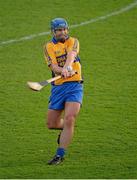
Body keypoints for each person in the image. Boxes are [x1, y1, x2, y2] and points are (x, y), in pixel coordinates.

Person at [44, 18, 83, 165]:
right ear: (53, 32)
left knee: (70, 118)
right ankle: (67, 129)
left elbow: (71, 56)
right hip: (58, 87)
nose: (63, 32)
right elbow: (53, 67)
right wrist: (62, 71)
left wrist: (67, 67)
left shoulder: (74, 41)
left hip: (75, 85)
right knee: (51, 123)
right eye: (59, 30)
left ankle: (59, 155)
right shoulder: (48, 47)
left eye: (64, 29)